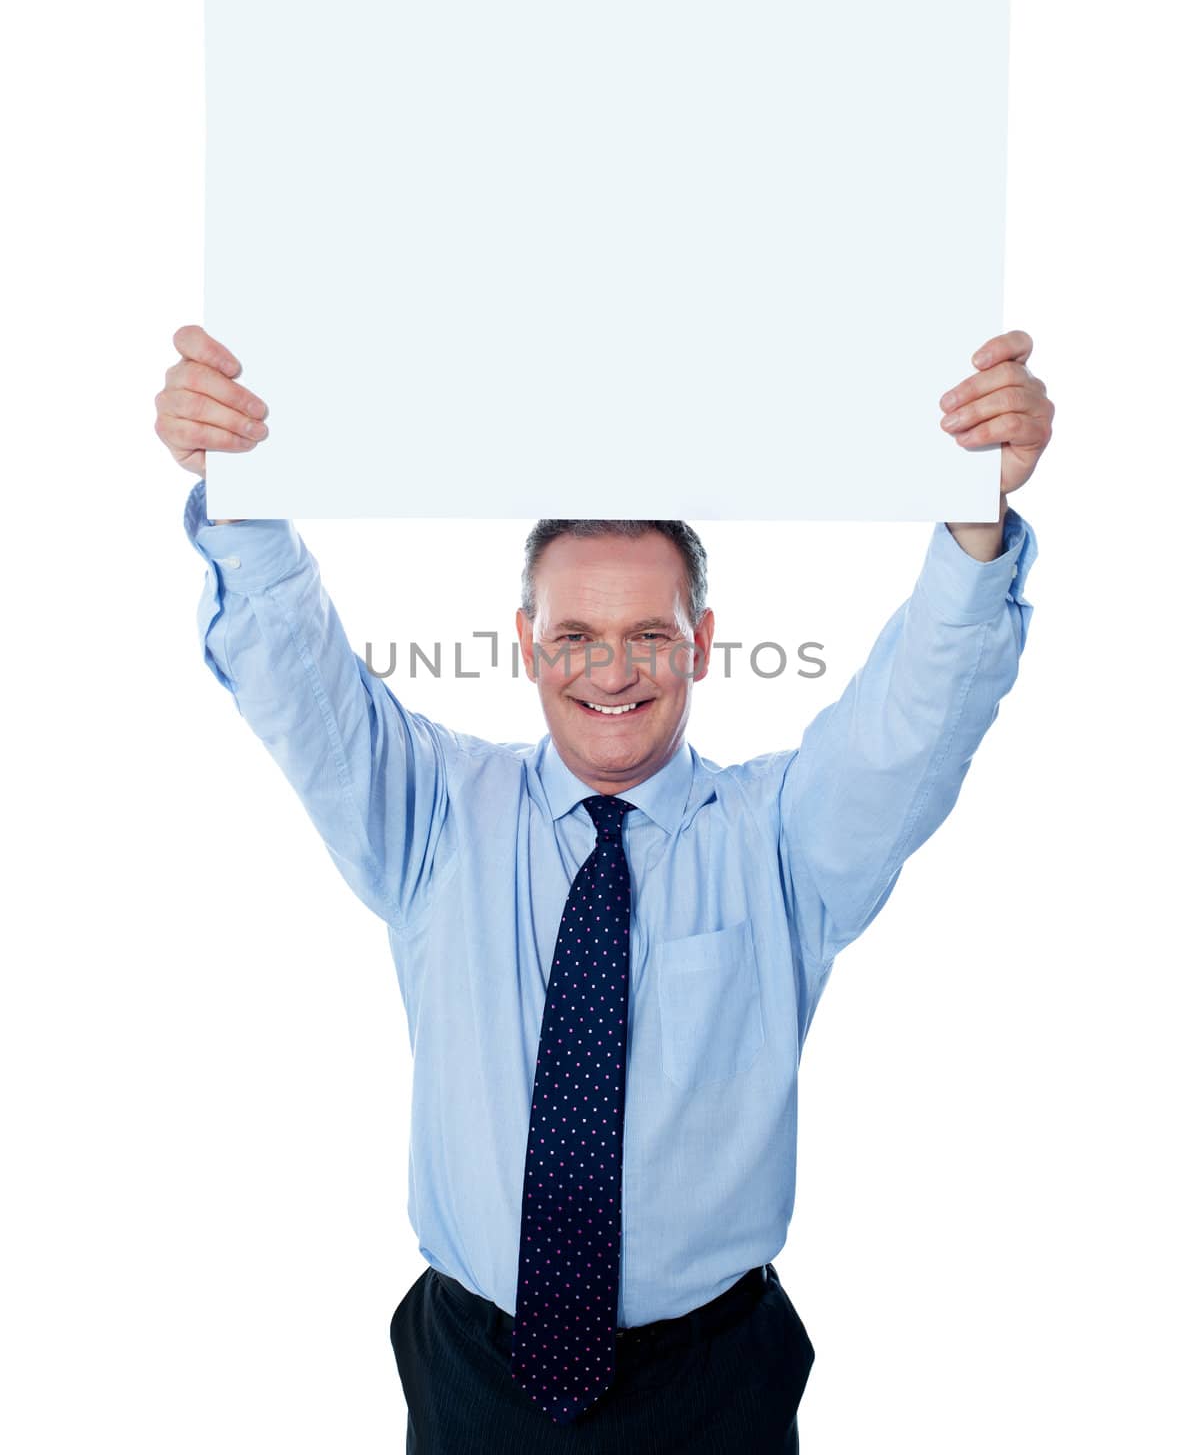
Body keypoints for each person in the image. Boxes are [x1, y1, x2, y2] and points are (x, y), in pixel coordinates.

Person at [156, 324, 1054, 1452]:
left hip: (711, 1385)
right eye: (575, 633)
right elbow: (303, 682)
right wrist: (238, 494)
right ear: (529, 642)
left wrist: (974, 522)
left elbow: (913, 717)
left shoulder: (781, 837)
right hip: (476, 1377)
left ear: (703, 644)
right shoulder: (432, 814)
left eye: (649, 634)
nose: (613, 670)